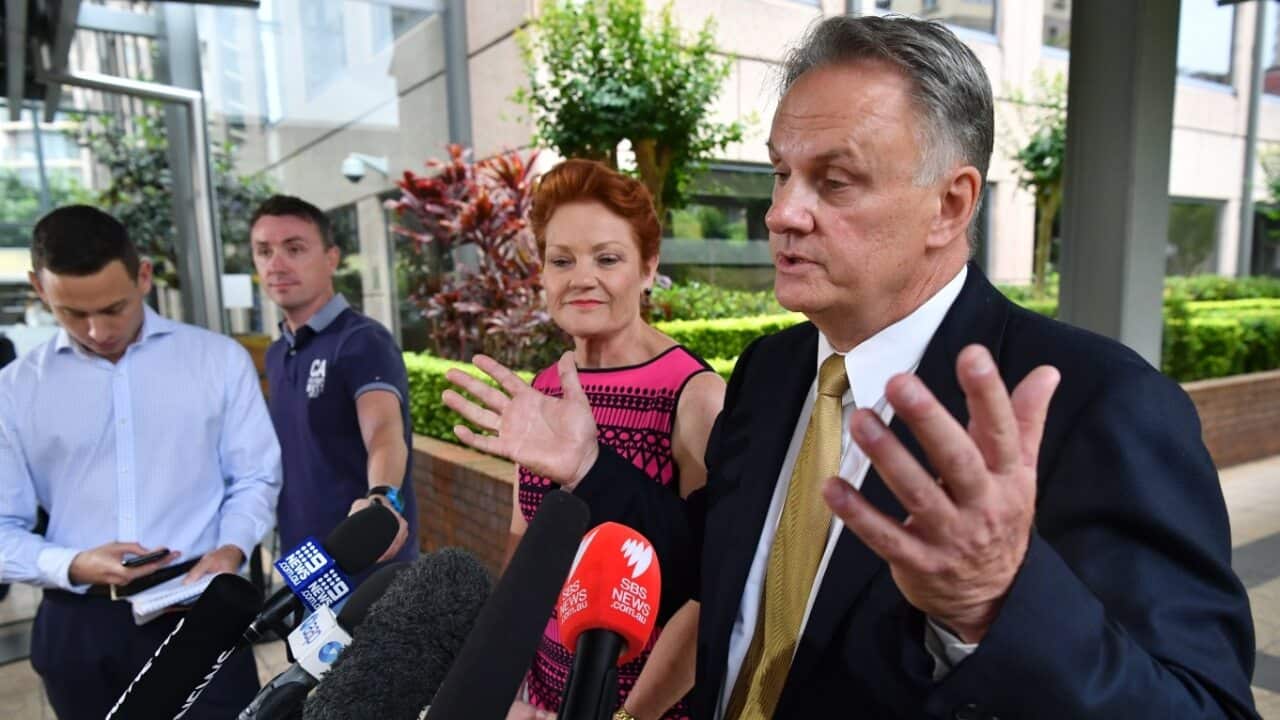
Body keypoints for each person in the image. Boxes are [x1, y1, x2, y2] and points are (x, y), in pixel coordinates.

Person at [443, 15, 1259, 720]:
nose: (782, 213)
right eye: (780, 173)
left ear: (951, 203)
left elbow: (1199, 703)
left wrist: (996, 606)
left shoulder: (1099, 404)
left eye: (833, 181)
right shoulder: (771, 367)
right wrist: (590, 466)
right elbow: (719, 560)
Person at [444, 159, 724, 720]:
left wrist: (627, 717)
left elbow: (710, 596)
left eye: (608, 258)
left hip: (644, 703)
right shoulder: (546, 390)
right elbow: (524, 542)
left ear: (648, 269)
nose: (582, 278)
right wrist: (512, 680)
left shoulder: (696, 397)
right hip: (544, 691)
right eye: (562, 260)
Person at [0, 205, 281, 718]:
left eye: (113, 308)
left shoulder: (217, 361)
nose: (97, 330)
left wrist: (231, 550)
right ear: (39, 289)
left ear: (144, 276)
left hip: (197, 608)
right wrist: (74, 564)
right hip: (77, 625)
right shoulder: (15, 390)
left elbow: (256, 476)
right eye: (72, 312)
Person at [251, 195, 414, 566]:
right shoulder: (278, 353)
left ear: (331, 258)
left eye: (294, 248)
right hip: (303, 561)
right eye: (264, 251)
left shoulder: (362, 340)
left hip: (362, 565)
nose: (276, 264)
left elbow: (385, 431)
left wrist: (382, 500)